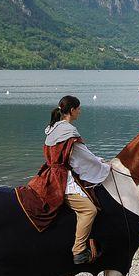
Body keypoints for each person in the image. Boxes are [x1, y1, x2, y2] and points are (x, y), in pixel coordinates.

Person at [16, 95, 110, 264]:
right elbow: (82, 158)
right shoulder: (69, 132)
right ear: (72, 110)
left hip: (47, 174)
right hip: (60, 179)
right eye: (79, 109)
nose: (80, 112)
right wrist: (103, 164)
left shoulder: (52, 129)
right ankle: (79, 250)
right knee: (89, 210)